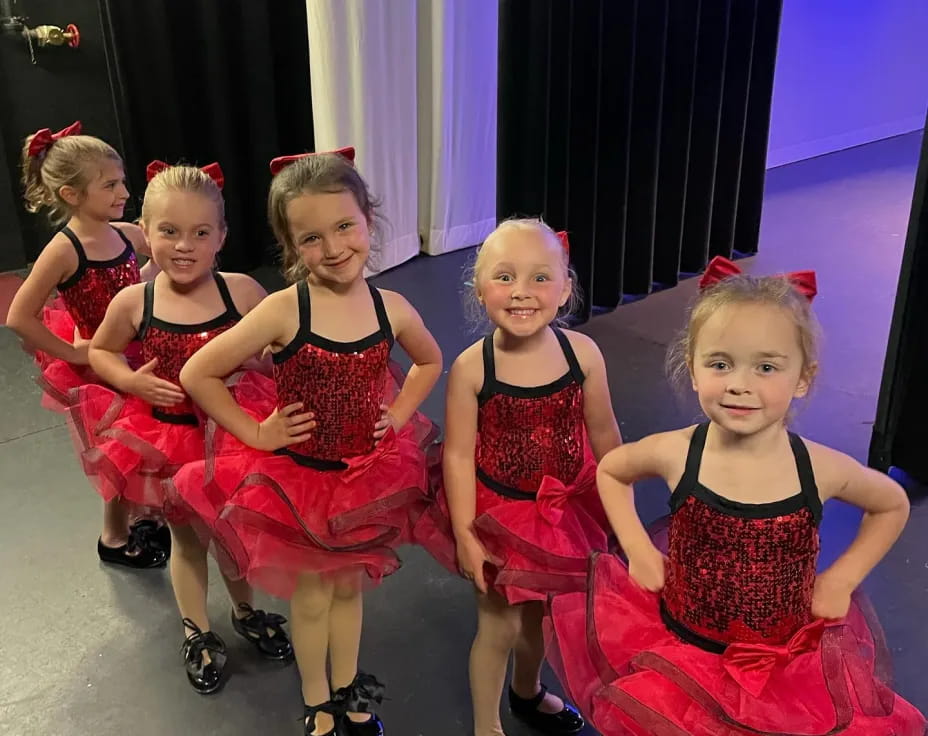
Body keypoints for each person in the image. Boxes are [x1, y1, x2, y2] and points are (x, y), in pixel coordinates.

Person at [545, 256, 927, 735]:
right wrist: (639, 549)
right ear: (693, 368)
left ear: (802, 377)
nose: (740, 385)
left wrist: (841, 579)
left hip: (780, 667)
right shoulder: (677, 451)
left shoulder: (820, 467)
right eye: (720, 364)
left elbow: (891, 503)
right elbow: (614, 471)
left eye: (766, 367)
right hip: (684, 651)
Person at [175, 148, 441, 735]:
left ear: (369, 219)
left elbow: (428, 361)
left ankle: (347, 686)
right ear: (291, 246)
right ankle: (316, 697)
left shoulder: (389, 307)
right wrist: (256, 431)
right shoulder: (281, 311)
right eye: (312, 238)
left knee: (349, 590)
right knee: (314, 597)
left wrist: (396, 415)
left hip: (365, 475)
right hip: (298, 482)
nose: (335, 247)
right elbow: (198, 373)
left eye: (345, 226)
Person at [80, 161, 290, 693]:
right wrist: (131, 382)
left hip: (234, 437)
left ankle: (245, 612)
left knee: (233, 534)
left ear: (221, 235)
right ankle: (196, 630)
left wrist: (266, 366)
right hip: (168, 440)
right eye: (169, 231)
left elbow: (272, 353)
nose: (184, 245)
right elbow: (101, 351)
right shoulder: (136, 300)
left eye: (201, 232)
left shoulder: (241, 292)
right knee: (188, 540)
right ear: (144, 232)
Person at [415, 219, 622, 736]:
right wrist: (465, 532)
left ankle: (527, 691)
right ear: (478, 289)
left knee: (543, 617)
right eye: (504, 278)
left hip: (566, 510)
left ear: (565, 287)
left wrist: (622, 512)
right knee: (499, 624)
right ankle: (488, 726)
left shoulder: (583, 355)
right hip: (499, 515)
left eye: (539, 278)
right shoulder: (473, 368)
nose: (522, 293)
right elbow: (460, 456)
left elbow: (605, 434)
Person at [7, 121, 163, 568]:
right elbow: (19, 315)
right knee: (118, 454)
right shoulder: (64, 250)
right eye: (110, 185)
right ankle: (113, 537)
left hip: (139, 357)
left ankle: (144, 515)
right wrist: (75, 352)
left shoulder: (128, 234)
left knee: (148, 444)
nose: (124, 192)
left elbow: (151, 266)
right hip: (100, 371)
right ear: (71, 195)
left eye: (122, 181)